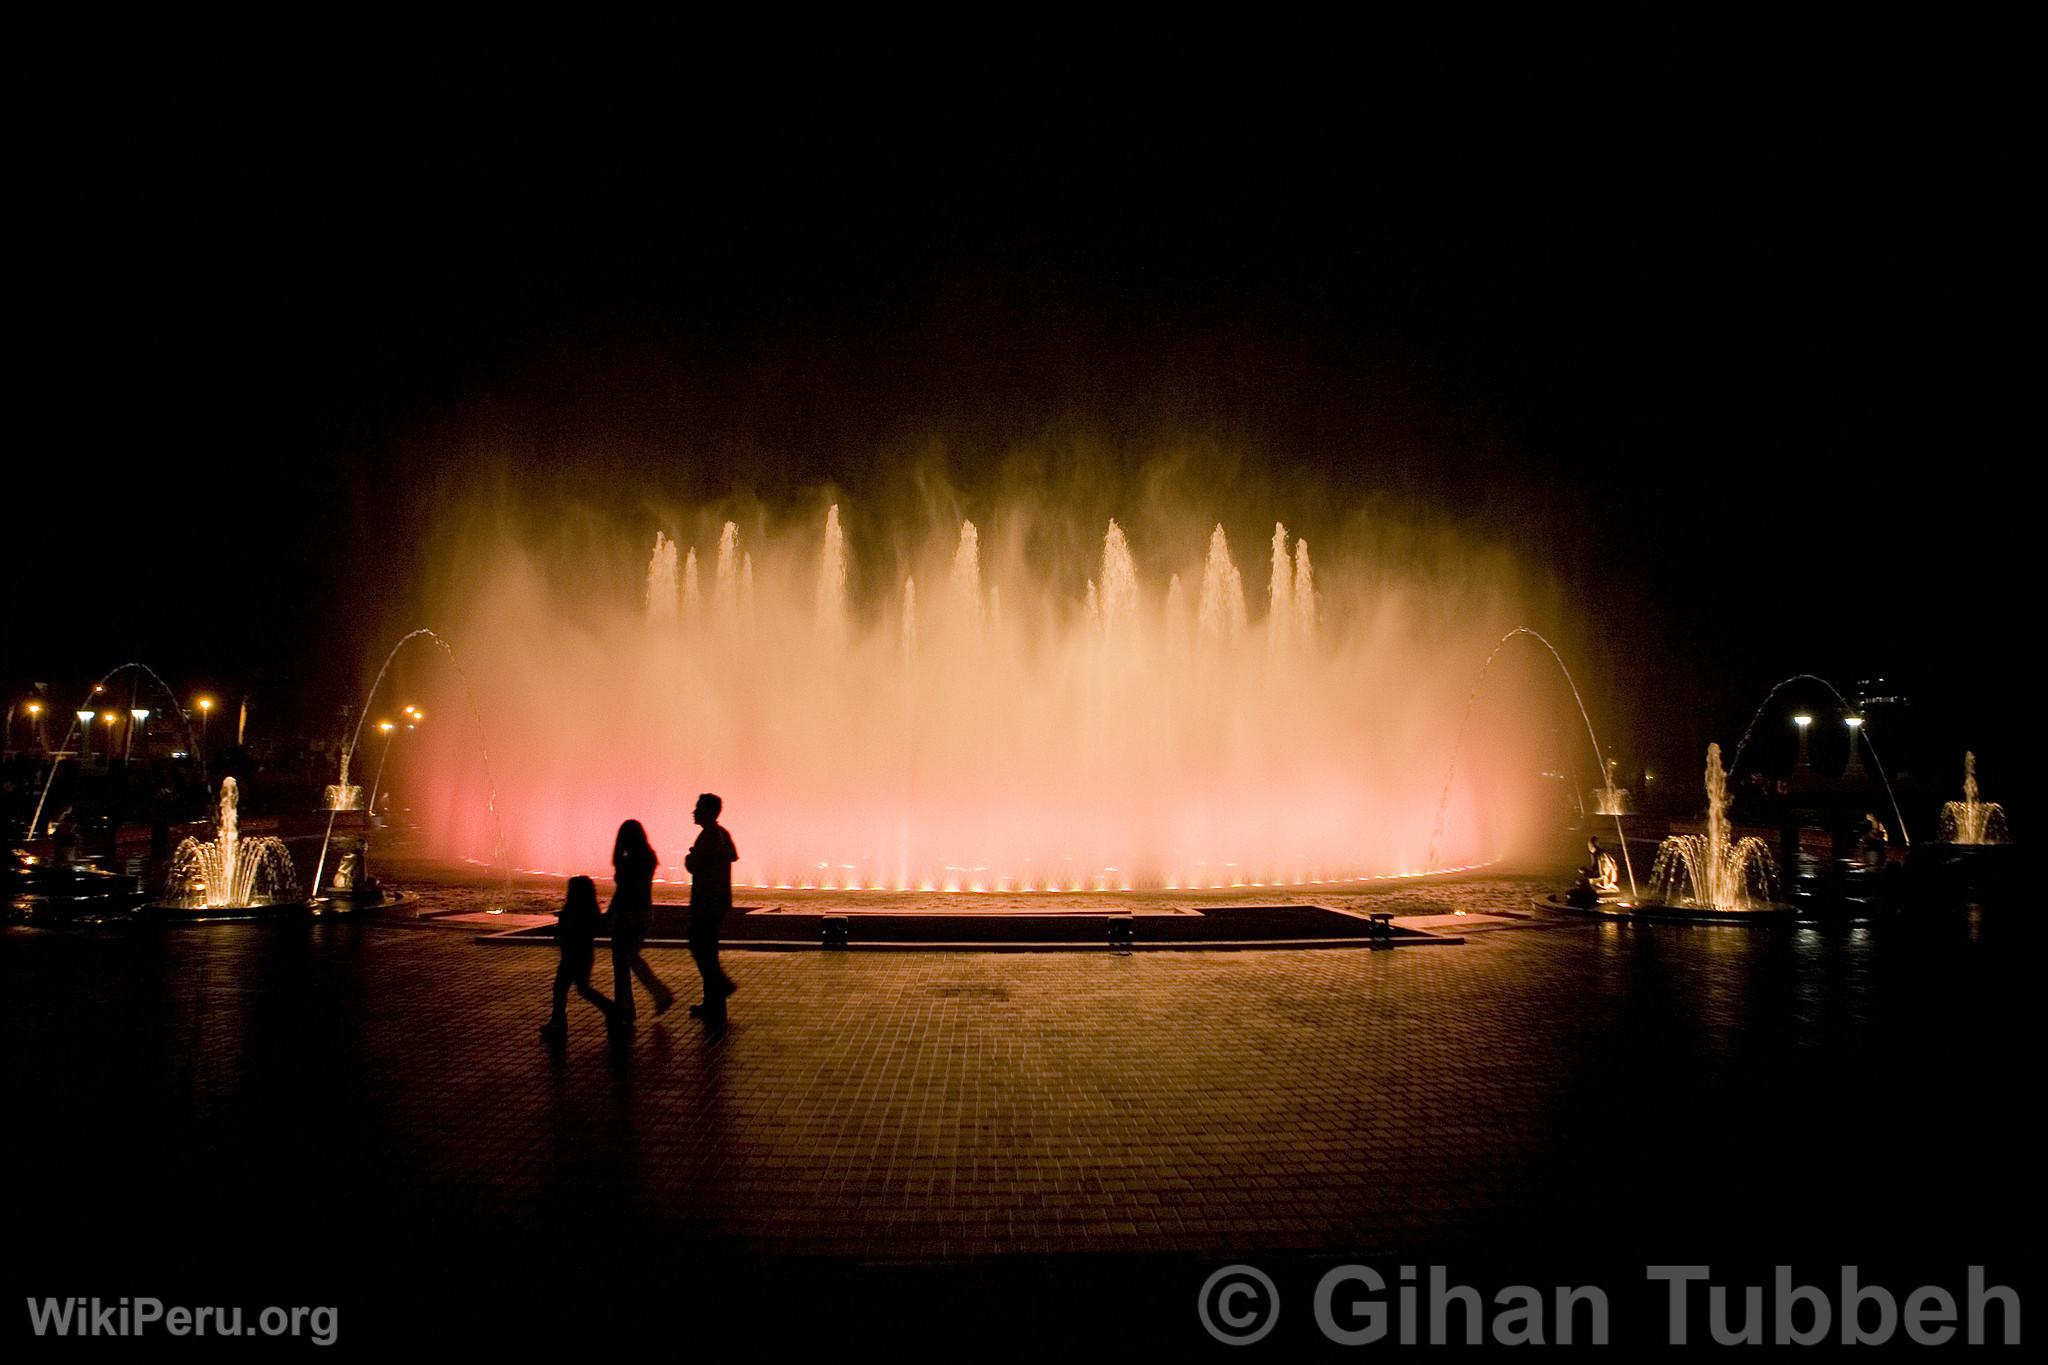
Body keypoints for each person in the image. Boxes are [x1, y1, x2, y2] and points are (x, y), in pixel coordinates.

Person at [609, 819, 676, 1023]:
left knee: (622, 962)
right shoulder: (648, 858)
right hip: (644, 912)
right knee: (631, 957)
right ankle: (655, 995)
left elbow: (623, 892)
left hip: (627, 915)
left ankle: (629, 1006)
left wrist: (609, 914)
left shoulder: (628, 862)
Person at [684, 793, 738, 1024]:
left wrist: (691, 857)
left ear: (709, 811)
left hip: (706, 902)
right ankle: (714, 1004)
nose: (694, 812)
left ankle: (721, 987)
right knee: (708, 950)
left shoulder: (709, 836)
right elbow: (732, 856)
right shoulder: (721, 833)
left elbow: (695, 865)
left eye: (698, 808)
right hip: (718, 901)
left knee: (700, 948)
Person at [540, 875, 614, 1043]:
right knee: (578, 988)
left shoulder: (574, 908)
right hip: (583, 953)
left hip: (573, 954)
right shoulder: (589, 908)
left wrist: (562, 924)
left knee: (564, 988)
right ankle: (610, 1010)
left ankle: (559, 1023)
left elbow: (571, 929)